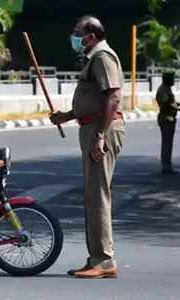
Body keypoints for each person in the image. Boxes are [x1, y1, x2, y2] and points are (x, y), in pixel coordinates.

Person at [50, 16, 125, 279]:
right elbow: (93, 100)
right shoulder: (94, 56)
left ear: (90, 36)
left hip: (100, 131)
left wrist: (100, 136)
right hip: (92, 128)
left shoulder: (103, 56)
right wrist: (66, 116)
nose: (74, 38)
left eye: (77, 33)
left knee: (98, 195)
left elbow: (113, 96)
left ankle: (104, 261)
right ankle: (96, 257)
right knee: (93, 196)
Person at [156, 71, 179, 175]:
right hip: (166, 118)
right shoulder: (164, 89)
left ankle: (167, 164)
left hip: (169, 117)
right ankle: (166, 166)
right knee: (167, 143)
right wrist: (176, 107)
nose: (173, 81)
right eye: (172, 79)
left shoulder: (166, 89)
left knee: (168, 143)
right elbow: (166, 103)